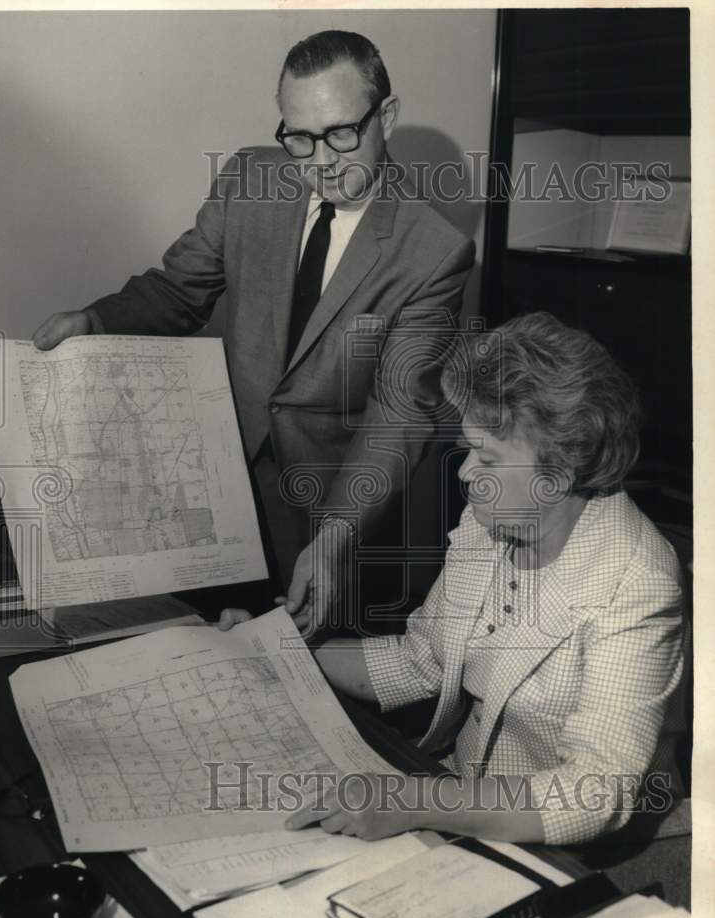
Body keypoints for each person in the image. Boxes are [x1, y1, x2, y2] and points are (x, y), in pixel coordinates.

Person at [32, 30, 475, 634]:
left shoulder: (434, 252)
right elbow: (176, 291)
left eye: (341, 134)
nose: (319, 161)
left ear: (386, 117)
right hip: (218, 501)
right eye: (298, 137)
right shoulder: (249, 180)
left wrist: (337, 536)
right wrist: (96, 320)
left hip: (334, 518)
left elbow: (398, 415)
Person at [220, 312, 687, 846]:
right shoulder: (492, 521)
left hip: (579, 847)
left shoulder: (636, 581)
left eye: (487, 458)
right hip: (458, 802)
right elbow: (422, 663)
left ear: (559, 476)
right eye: (467, 448)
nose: (465, 472)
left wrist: (414, 799)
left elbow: (595, 793)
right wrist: (271, 647)